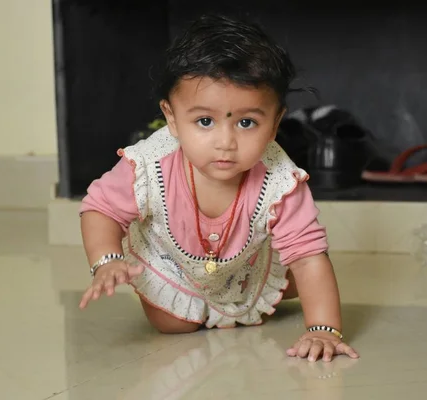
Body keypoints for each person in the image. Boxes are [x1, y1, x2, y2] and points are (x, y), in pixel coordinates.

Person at [78, 13, 359, 363]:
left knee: (307, 275)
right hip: (173, 262)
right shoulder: (148, 165)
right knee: (172, 324)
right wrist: (106, 260)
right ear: (171, 117)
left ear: (274, 125)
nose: (226, 142)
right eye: (205, 121)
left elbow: (306, 253)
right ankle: (194, 301)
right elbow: (100, 208)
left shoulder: (280, 179)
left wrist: (323, 329)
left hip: (244, 264)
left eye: (246, 122)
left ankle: (252, 299)